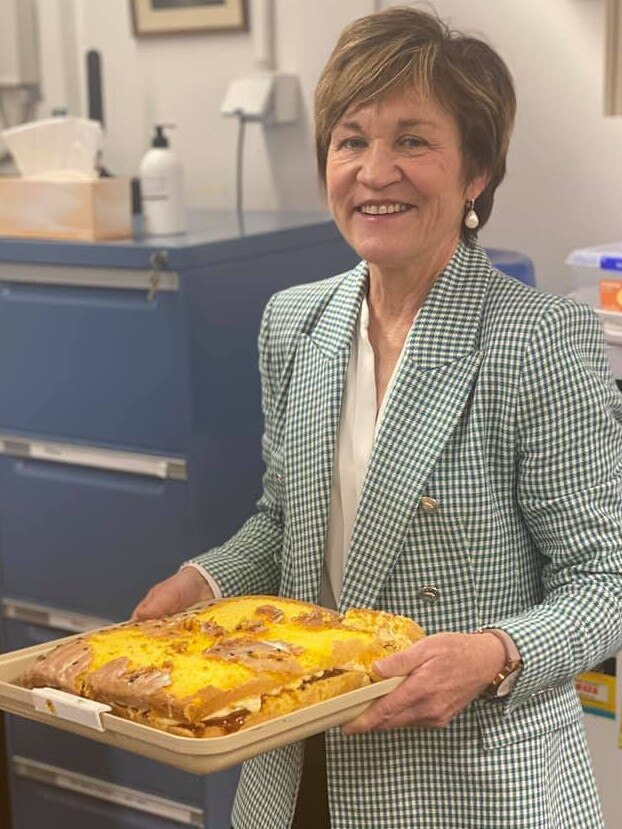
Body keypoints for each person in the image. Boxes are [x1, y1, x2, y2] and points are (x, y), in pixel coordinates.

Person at [133, 6, 622, 828]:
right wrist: (205, 580)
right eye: (351, 139)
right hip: (296, 757)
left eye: (413, 141)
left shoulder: (540, 339)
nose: (374, 170)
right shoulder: (294, 322)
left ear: (476, 174)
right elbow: (284, 520)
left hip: (469, 780)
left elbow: (606, 578)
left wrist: (493, 654)